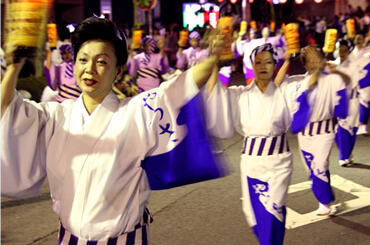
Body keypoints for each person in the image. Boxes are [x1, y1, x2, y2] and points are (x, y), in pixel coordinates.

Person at [1, 17, 226, 244]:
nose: (89, 69)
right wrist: (13, 68)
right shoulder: (55, 116)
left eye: (101, 62)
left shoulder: (134, 113)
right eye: (83, 60)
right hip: (69, 238)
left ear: (118, 72)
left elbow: (175, 91)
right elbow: (9, 110)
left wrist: (214, 56)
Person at [205, 43, 318, 245]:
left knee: (272, 211)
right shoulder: (240, 94)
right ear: (252, 65)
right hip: (250, 162)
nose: (263, 66)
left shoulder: (286, 91)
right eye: (258, 62)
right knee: (253, 214)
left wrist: (316, 67)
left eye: (268, 62)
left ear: (275, 64)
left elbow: (309, 85)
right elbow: (215, 95)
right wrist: (214, 63)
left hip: (278, 162)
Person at [293, 46, 349, 215]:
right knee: (313, 170)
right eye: (308, 60)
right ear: (304, 64)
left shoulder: (333, 80)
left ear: (322, 59)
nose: (312, 63)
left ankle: (325, 203)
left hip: (325, 131)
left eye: (315, 59)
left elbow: (342, 105)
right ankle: (326, 197)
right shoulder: (299, 83)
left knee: (319, 165)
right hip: (304, 134)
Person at [328, 39, 370, 166]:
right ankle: (344, 156)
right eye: (340, 49)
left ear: (349, 51)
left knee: (351, 129)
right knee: (339, 129)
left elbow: (353, 79)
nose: (342, 52)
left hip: (351, 101)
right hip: (337, 102)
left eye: (345, 50)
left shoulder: (354, 65)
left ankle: (347, 154)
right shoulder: (332, 64)